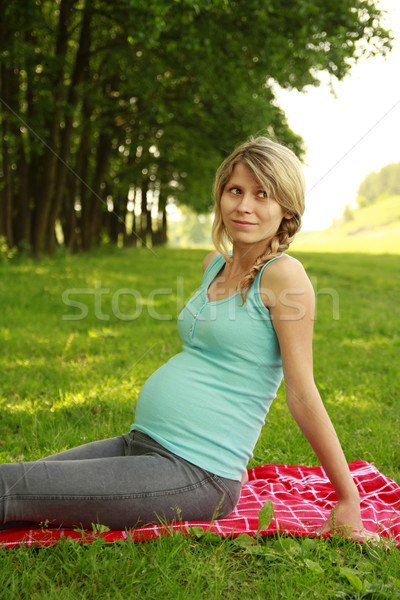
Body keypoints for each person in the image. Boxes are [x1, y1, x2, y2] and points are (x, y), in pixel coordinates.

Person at [0, 136, 378, 541]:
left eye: (262, 194)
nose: (244, 205)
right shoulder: (214, 265)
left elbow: (302, 393)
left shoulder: (284, 276)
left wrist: (347, 500)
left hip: (196, 474)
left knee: (10, 491)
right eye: (235, 190)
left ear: (286, 209)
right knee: (12, 483)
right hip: (139, 444)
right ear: (220, 195)